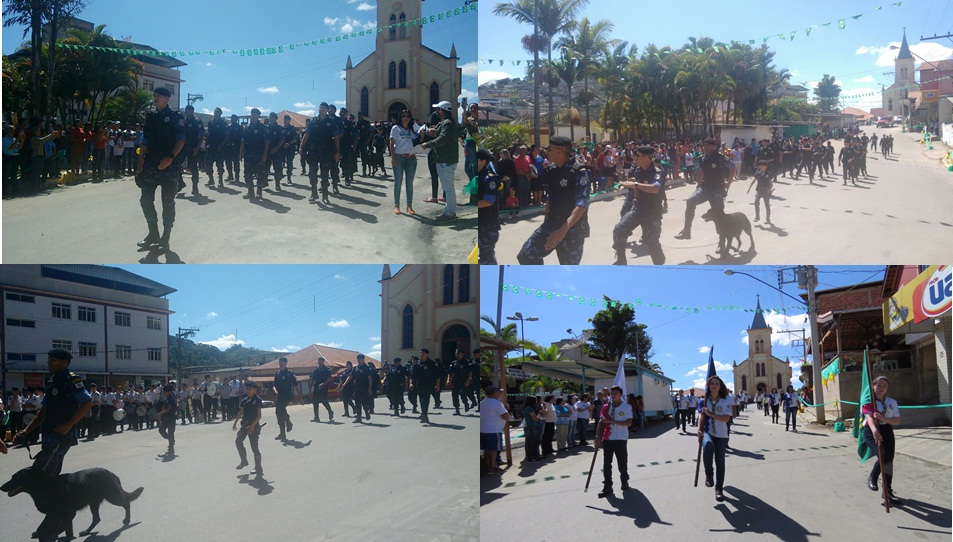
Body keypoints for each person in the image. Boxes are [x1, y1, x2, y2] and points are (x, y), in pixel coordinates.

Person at [13, 349, 91, 475]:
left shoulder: (72, 380)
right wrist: (25, 431)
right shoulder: (51, 382)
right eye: (49, 360)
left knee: (42, 472)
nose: (49, 363)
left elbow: (87, 403)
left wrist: (68, 425)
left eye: (53, 360)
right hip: (49, 433)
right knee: (48, 474)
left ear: (65, 362)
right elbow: (43, 411)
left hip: (62, 434)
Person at [516, 135, 591, 264]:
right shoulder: (551, 171)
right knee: (526, 255)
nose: (546, 152)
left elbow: (582, 204)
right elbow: (550, 197)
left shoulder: (580, 171)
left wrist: (562, 231)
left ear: (560, 151)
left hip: (572, 228)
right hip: (551, 223)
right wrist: (547, 218)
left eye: (550, 149)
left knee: (568, 269)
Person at [136, 87, 184, 253]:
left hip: (169, 167)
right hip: (151, 165)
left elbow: (181, 141)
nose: (155, 98)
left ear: (167, 99)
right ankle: (153, 234)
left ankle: (165, 238)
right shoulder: (151, 118)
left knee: (167, 203)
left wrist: (171, 157)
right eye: (154, 95)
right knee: (145, 200)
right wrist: (139, 165)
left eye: (159, 96)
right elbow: (145, 142)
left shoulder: (175, 118)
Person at [613, 145, 666, 265]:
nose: (635, 158)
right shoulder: (638, 170)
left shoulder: (658, 171)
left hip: (652, 213)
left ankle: (660, 267)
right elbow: (637, 188)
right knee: (619, 229)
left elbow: (655, 188)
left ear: (647, 157)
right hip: (638, 209)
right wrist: (635, 199)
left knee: (652, 242)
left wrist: (636, 184)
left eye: (638, 156)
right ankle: (621, 261)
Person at [675, 137, 730, 241]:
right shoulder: (702, 158)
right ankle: (686, 231)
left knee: (718, 214)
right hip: (705, 188)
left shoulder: (720, 157)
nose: (705, 147)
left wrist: (729, 183)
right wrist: (698, 183)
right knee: (690, 201)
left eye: (708, 145)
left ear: (714, 146)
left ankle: (722, 241)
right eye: (704, 145)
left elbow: (732, 167)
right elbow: (701, 171)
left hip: (717, 189)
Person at [862, 375, 901, 504]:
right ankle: (873, 477)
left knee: (889, 460)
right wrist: (875, 431)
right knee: (883, 456)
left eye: (884, 386)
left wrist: (883, 418)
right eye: (878, 385)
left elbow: (896, 421)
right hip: (871, 429)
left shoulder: (891, 402)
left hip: (887, 429)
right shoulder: (868, 401)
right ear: (873, 386)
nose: (881, 388)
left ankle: (887, 491)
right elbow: (870, 418)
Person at [419, 100, 459, 221]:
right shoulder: (448, 123)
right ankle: (450, 211)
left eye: (438, 110)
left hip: (445, 159)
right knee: (449, 187)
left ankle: (450, 213)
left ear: (442, 111)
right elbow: (445, 135)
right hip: (446, 158)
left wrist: (428, 144)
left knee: (448, 188)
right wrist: (436, 131)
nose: (437, 112)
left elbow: (443, 139)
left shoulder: (447, 123)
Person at [698, 375, 732, 502]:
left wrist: (710, 414)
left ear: (720, 386)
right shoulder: (703, 400)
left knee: (720, 461)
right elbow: (701, 416)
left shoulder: (725, 401)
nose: (714, 385)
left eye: (716, 383)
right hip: (707, 431)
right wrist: (699, 430)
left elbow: (726, 418)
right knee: (707, 446)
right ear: (708, 386)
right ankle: (709, 474)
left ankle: (719, 489)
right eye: (711, 383)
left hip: (722, 435)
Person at [299, 102, 341, 204]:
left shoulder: (331, 122)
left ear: (327, 110)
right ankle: (314, 194)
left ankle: (325, 196)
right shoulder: (313, 122)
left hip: (326, 152)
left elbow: (336, 138)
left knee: (325, 175)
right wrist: (301, 147)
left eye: (323, 108)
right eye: (320, 107)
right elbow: (306, 135)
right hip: (314, 151)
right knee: (312, 174)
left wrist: (337, 152)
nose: (321, 109)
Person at [595, 386, 632, 498]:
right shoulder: (606, 407)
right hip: (608, 438)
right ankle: (607, 486)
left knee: (622, 462)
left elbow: (628, 423)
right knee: (607, 463)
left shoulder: (626, 407)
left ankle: (624, 480)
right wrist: (597, 436)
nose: (613, 395)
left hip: (621, 438)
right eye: (612, 393)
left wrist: (612, 421)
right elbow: (601, 422)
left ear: (621, 394)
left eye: (616, 393)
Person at [389, 109, 419, 215]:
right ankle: (396, 205)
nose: (406, 118)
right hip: (399, 158)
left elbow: (419, 140)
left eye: (408, 116)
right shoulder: (395, 129)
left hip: (411, 159)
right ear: (400, 118)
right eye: (403, 116)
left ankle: (409, 206)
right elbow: (392, 144)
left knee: (409, 183)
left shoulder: (412, 129)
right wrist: (393, 158)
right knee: (398, 182)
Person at [233, 380, 263, 477]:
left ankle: (258, 467)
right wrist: (235, 422)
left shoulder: (257, 400)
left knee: (254, 448)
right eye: (247, 389)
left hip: (253, 427)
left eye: (250, 389)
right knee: (238, 441)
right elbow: (240, 412)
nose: (248, 390)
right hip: (244, 425)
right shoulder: (244, 400)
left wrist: (253, 425)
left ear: (255, 390)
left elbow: (259, 416)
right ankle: (244, 461)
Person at [476, 148, 501, 264]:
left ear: (482, 161)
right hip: (481, 223)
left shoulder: (489, 178)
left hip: (488, 225)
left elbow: (489, 201)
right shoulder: (478, 176)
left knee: (487, 257)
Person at [240, 108, 270, 200]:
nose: (253, 115)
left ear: (258, 116)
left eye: (255, 114)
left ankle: (259, 192)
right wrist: (240, 152)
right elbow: (243, 141)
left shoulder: (262, 128)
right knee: (247, 173)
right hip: (248, 154)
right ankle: (250, 192)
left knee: (260, 173)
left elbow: (267, 142)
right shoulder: (247, 128)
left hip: (259, 153)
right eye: (252, 114)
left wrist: (265, 153)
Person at [480, 385, 510, 474]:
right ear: (494, 393)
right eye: (499, 392)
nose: (500, 394)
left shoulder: (482, 402)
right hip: (493, 430)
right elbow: (505, 416)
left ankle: (488, 466)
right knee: (493, 450)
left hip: (483, 429)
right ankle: (492, 467)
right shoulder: (496, 403)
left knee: (487, 449)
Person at [181, 104, 205, 196]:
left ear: (192, 111)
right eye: (187, 110)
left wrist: (198, 146)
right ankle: (180, 183)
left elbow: (201, 135)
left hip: (193, 148)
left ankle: (195, 187)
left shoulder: (197, 122)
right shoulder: (182, 121)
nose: (188, 112)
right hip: (182, 148)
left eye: (190, 110)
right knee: (176, 165)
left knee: (194, 168)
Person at [272, 357, 298, 440]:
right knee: (278, 413)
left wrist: (300, 396)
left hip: (287, 395)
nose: (280, 363)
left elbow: (295, 384)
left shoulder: (290, 373)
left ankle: (288, 422)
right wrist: (275, 390)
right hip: (280, 395)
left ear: (286, 363)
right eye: (279, 362)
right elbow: (274, 385)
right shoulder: (277, 373)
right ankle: (282, 433)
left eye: (282, 362)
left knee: (281, 409)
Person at [412, 348, 439, 424]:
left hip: (428, 385)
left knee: (425, 400)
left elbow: (437, 375)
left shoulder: (431, 364)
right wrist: (411, 383)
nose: (421, 354)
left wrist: (437, 385)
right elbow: (412, 375)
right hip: (420, 385)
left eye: (423, 353)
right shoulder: (417, 364)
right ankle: (424, 414)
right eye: (420, 353)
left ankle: (424, 414)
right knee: (421, 400)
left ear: (427, 354)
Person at [205, 107, 228, 188]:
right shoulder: (211, 122)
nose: (215, 114)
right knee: (208, 164)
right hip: (211, 146)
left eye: (217, 112)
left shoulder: (223, 123)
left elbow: (226, 136)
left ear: (220, 114)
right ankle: (211, 179)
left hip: (219, 147)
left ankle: (220, 181)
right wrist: (206, 144)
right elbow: (209, 134)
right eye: (214, 112)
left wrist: (221, 145)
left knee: (220, 165)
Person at [309, 357, 334, 422]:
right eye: (318, 361)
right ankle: (316, 417)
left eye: (320, 361)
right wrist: (310, 388)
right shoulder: (316, 370)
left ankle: (330, 411)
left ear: (323, 362)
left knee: (324, 401)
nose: (319, 362)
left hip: (323, 388)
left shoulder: (326, 370)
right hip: (316, 388)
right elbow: (313, 379)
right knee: (315, 402)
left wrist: (323, 384)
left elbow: (329, 378)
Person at [155, 383, 177, 456]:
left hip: (171, 418)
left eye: (165, 392)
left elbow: (168, 409)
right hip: (166, 418)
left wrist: (160, 414)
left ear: (169, 391)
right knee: (161, 430)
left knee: (171, 432)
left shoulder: (171, 397)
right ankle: (170, 440)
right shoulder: (167, 397)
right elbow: (164, 406)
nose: (164, 393)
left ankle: (171, 448)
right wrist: (160, 414)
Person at [449, 349, 471, 415]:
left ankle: (466, 404)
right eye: (456, 353)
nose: (457, 355)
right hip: (455, 381)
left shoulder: (466, 362)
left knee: (463, 395)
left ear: (462, 354)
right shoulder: (453, 363)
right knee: (454, 396)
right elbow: (450, 372)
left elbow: (470, 372)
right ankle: (457, 410)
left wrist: (468, 380)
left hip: (463, 381)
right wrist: (448, 380)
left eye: (459, 353)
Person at [522, 396, 541, 463]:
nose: (536, 402)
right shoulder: (528, 408)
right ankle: (530, 457)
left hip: (533, 426)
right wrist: (538, 418)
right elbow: (534, 418)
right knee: (530, 443)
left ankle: (536, 456)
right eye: (535, 401)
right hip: (530, 427)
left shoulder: (531, 408)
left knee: (537, 442)